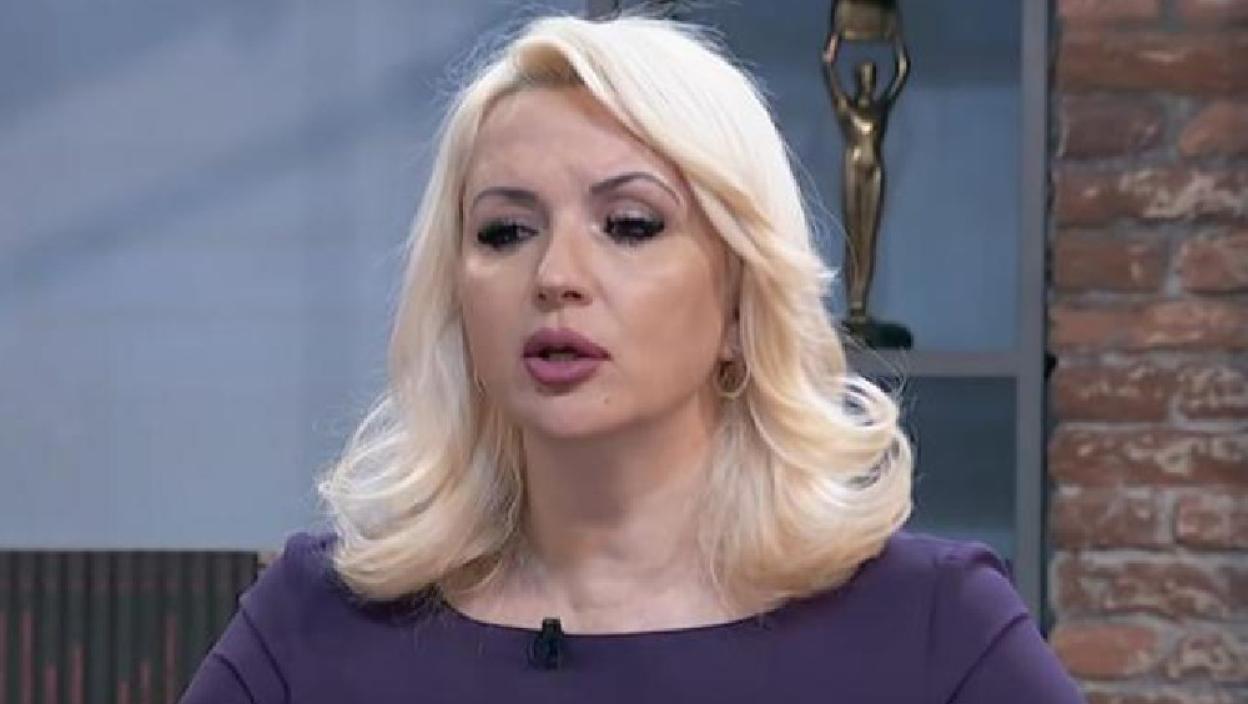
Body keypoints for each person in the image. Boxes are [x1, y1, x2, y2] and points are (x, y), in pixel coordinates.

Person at [181, 11, 1084, 703]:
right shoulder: (312, 626)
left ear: (741, 299)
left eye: (630, 224)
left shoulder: (933, 633)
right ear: (455, 296)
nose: (555, 276)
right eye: (505, 231)